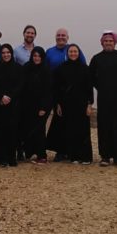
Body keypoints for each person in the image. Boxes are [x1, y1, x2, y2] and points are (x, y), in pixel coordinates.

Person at [89, 30, 117, 166]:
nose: (108, 43)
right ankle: (105, 156)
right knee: (104, 125)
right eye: (106, 41)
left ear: (115, 42)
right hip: (103, 97)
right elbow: (91, 76)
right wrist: (99, 87)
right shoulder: (96, 58)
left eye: (111, 41)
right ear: (102, 43)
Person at [45, 28, 86, 161]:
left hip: (74, 94)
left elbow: (83, 69)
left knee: (72, 123)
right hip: (56, 91)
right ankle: (60, 151)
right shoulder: (50, 51)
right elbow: (45, 70)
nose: (61, 37)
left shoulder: (73, 49)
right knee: (59, 122)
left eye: (63, 35)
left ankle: (71, 150)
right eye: (58, 35)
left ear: (68, 37)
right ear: (55, 37)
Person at [53, 44, 94, 165]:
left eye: (75, 51)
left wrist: (90, 104)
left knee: (83, 130)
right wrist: (58, 104)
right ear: (67, 53)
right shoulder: (61, 68)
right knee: (71, 130)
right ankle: (74, 156)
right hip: (67, 104)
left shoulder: (85, 68)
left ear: (79, 53)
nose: (73, 53)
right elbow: (57, 88)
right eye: (70, 51)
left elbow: (89, 87)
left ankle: (85, 157)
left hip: (82, 103)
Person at [0, 44, 23, 166]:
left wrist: (10, 97)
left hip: (13, 104)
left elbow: (20, 85)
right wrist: (1, 97)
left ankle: (11, 157)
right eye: (3, 53)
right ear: (0, 54)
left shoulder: (18, 68)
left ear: (11, 54)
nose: (6, 55)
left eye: (8, 52)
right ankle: (1, 157)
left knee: (12, 131)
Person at [19, 47, 52, 164]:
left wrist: (44, 107)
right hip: (27, 105)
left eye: (39, 56)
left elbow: (48, 91)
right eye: (34, 56)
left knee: (39, 130)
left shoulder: (46, 70)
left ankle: (41, 155)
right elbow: (21, 86)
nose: (36, 58)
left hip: (41, 106)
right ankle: (29, 152)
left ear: (42, 57)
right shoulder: (26, 68)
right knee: (27, 128)